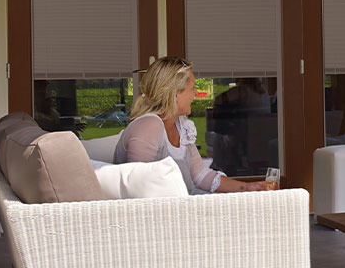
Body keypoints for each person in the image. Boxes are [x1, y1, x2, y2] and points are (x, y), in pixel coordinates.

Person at [114, 56, 268, 194]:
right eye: (192, 87)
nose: (195, 93)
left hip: (183, 206)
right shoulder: (149, 126)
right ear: (175, 93)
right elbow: (138, 188)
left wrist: (247, 188)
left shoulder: (181, 124)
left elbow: (200, 175)